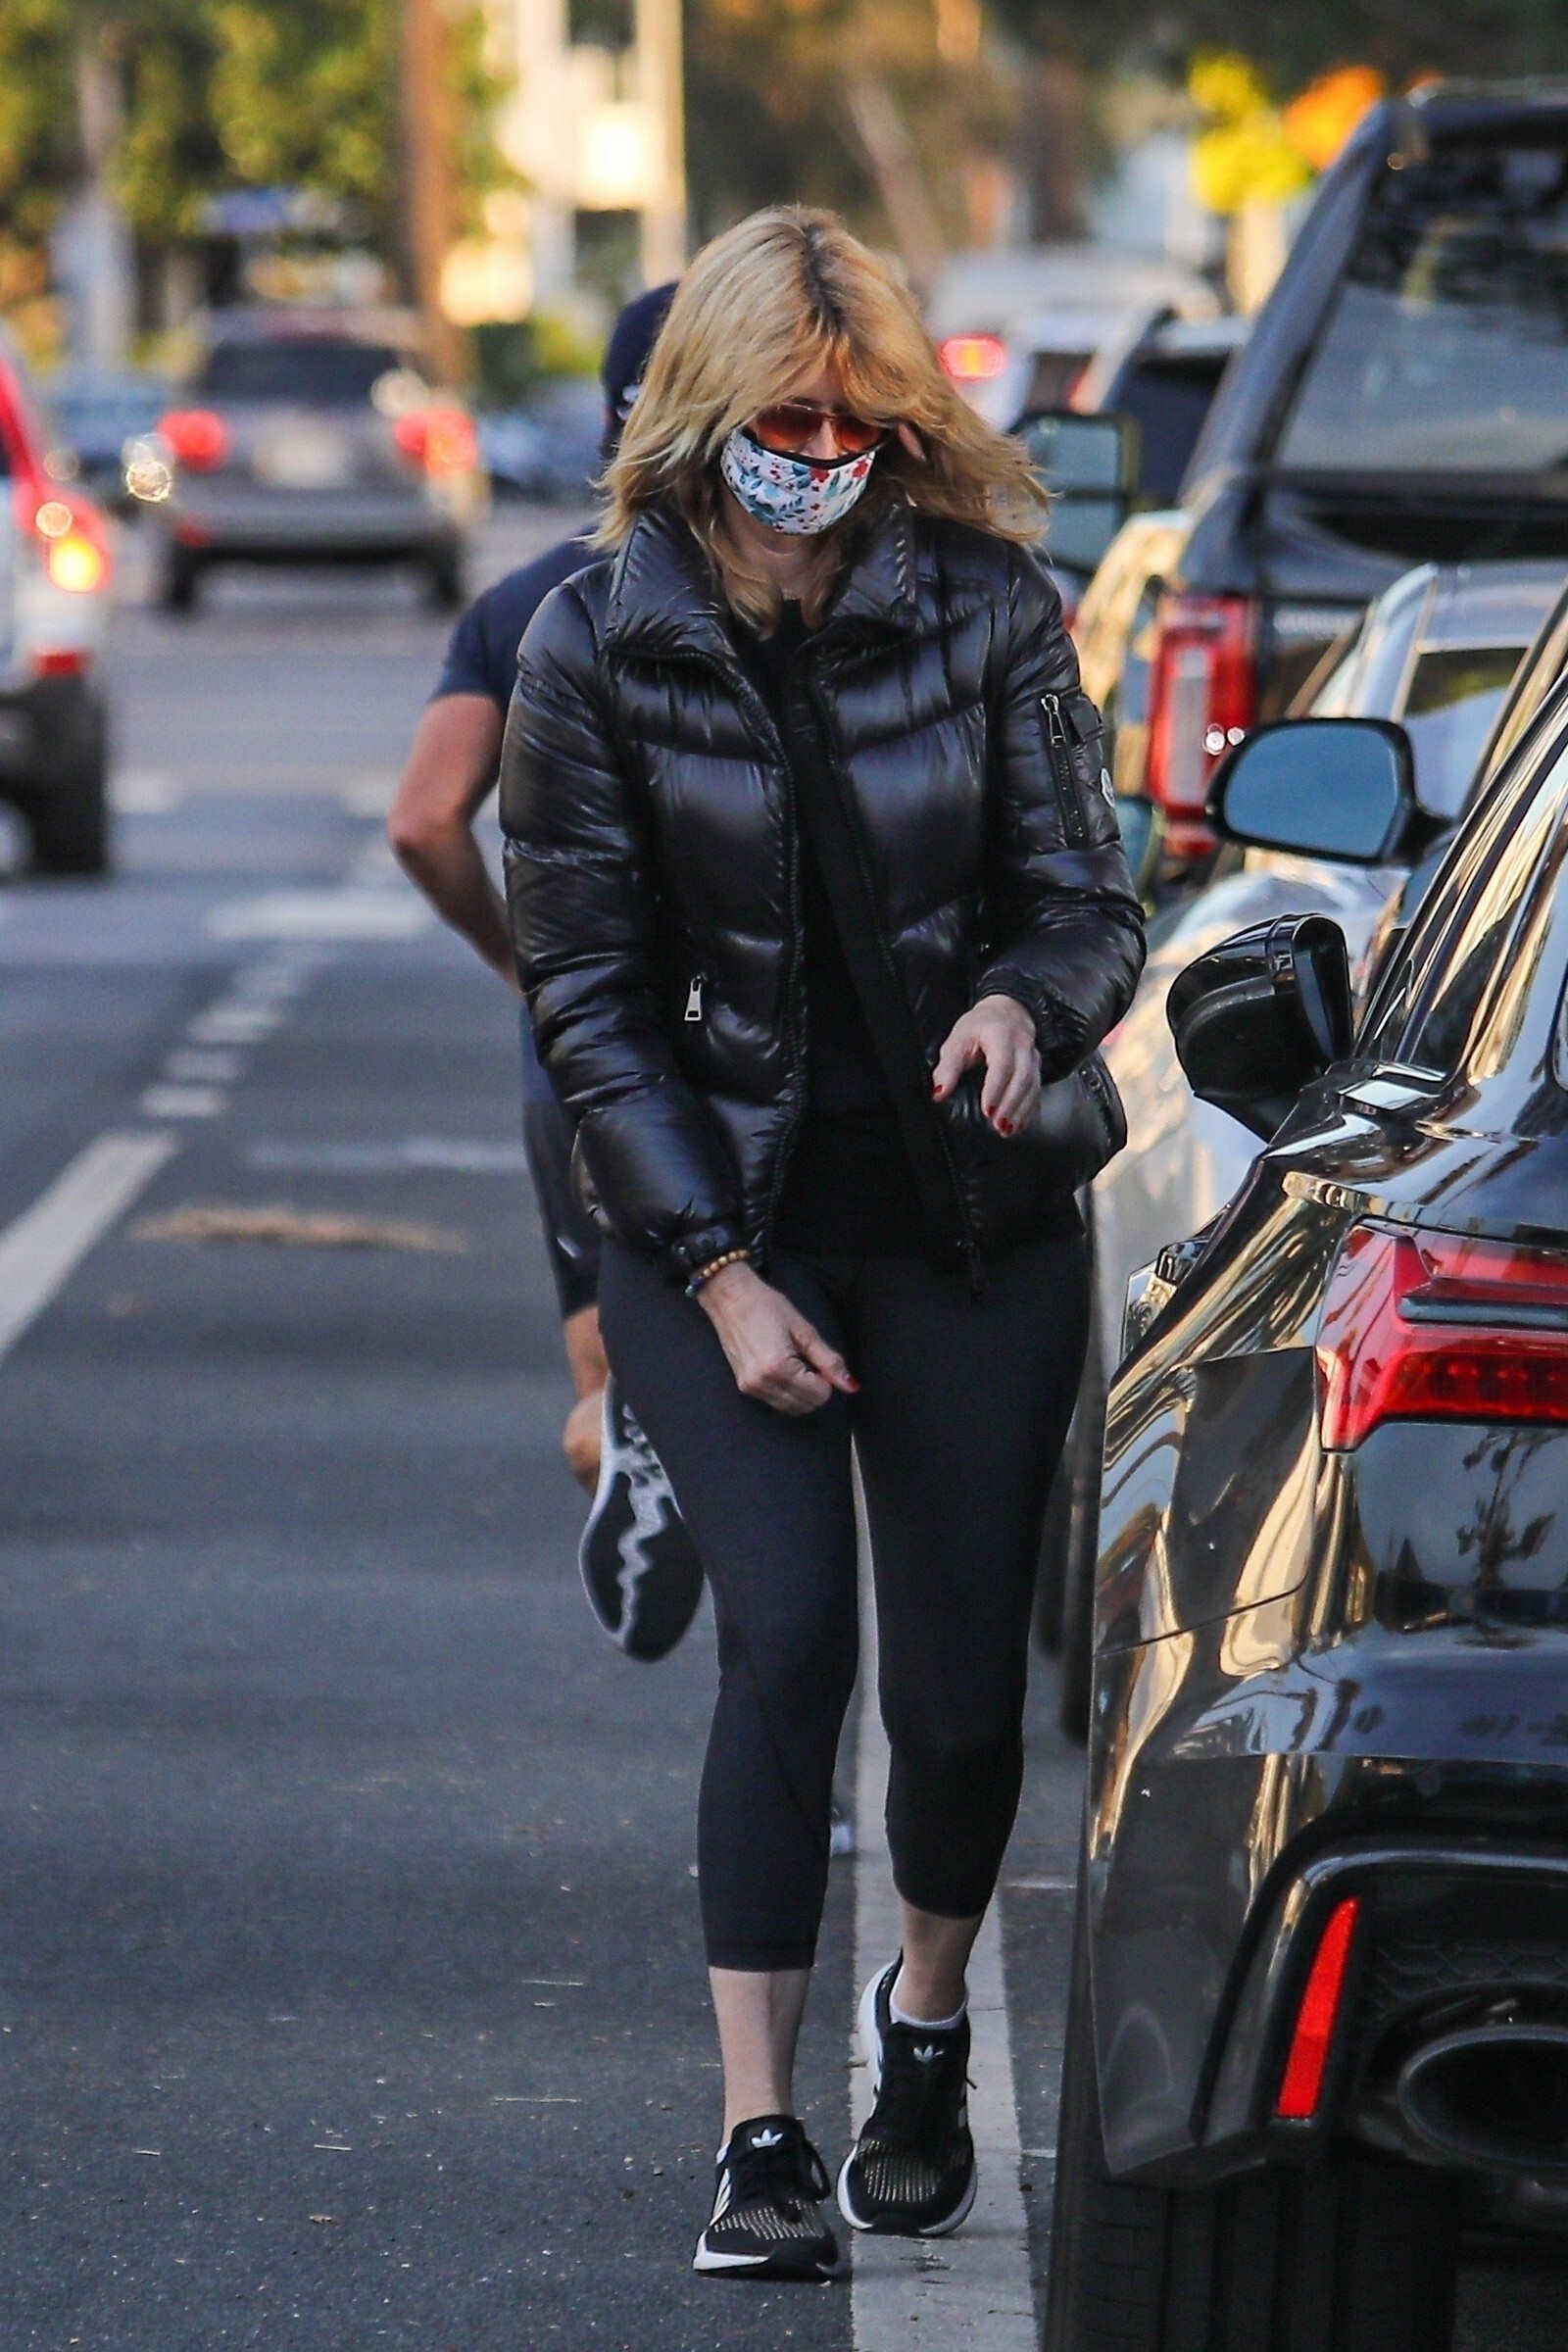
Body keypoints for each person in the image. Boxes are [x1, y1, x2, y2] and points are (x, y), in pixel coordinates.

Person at [501, 206, 1146, 2280]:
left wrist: (1024, 1006)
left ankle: (925, 2028)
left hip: (967, 1228)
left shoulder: (985, 607)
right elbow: (585, 1000)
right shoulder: (590, 643)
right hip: (720, 1237)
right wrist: (711, 1274)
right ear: (704, 409)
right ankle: (757, 2132)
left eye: (857, 421)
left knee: (956, 1706)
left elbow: (1089, 900)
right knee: (785, 1645)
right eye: (783, 419)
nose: (819, 456)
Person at [388, 285, 706, 1663]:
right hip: (750, 1036)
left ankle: (615, 1428)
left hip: (578, 1044)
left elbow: (423, 821)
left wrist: (518, 964)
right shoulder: (805, 595)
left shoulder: (527, 606)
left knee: (611, 1353)